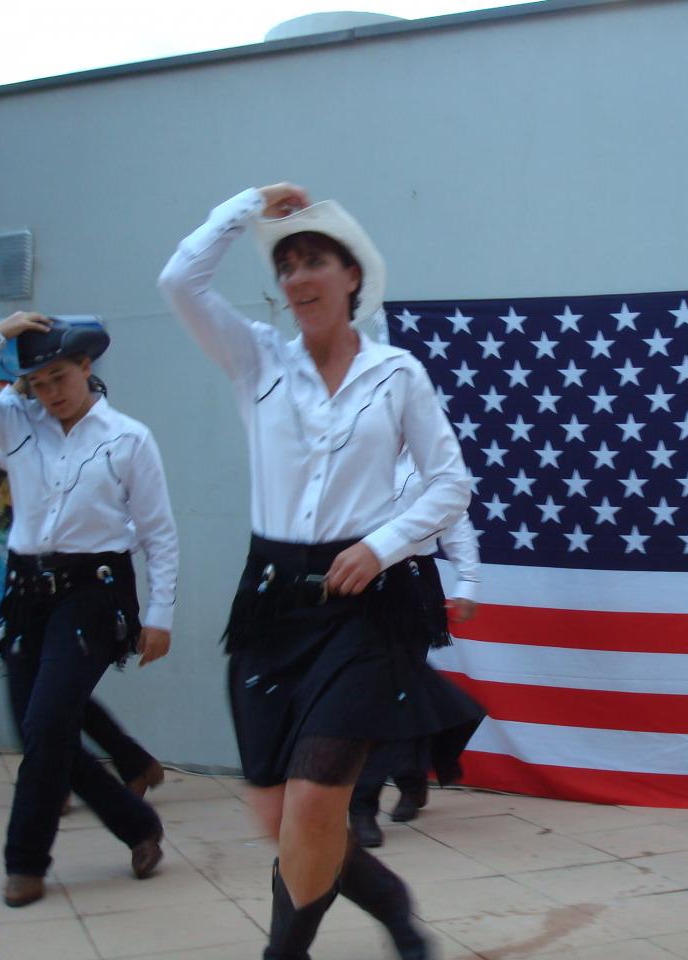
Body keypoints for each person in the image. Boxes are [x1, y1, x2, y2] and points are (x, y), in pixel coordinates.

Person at [159, 182, 482, 960]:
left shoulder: (396, 373)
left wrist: (385, 544)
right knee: (278, 819)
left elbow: (449, 482)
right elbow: (178, 282)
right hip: (272, 603)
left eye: (316, 262)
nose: (299, 279)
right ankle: (393, 906)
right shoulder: (255, 360)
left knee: (310, 809)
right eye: (288, 265)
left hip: (366, 606)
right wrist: (243, 207)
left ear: (351, 278)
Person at [0, 314, 178, 908]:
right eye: (37, 382)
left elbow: (158, 532)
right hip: (25, 593)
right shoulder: (14, 423)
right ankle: (137, 825)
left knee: (47, 726)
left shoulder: (128, 438)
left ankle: (25, 863)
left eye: (59, 377)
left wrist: (161, 613)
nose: (49, 393)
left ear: (87, 367)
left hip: (93, 592)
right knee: (45, 733)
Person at [0, 438, 167, 801]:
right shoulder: (37, 451)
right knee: (48, 694)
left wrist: (160, 613)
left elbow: (148, 533)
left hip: (92, 595)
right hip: (35, 596)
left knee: (54, 698)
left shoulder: (115, 457)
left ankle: (61, 779)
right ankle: (129, 763)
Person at [350, 459, 481, 847]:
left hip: (410, 584)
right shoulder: (354, 444)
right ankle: (410, 774)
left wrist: (469, 581)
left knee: (398, 688)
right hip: (356, 582)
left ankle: (363, 803)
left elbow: (455, 521)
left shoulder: (430, 457)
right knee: (371, 693)